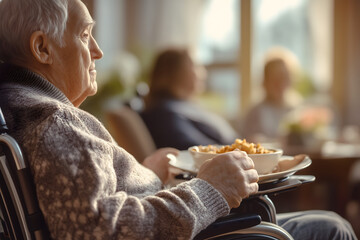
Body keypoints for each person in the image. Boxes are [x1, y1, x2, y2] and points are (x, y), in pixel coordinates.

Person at [0, 0, 356, 239]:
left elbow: (92, 201)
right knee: (331, 226)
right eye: (84, 34)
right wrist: (210, 189)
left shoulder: (26, 109)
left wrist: (146, 173)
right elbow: (100, 230)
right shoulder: (55, 122)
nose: (98, 51)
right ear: (42, 48)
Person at [141, 48, 238, 150]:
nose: (203, 73)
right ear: (176, 72)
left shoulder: (185, 107)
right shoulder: (166, 114)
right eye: (196, 66)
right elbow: (198, 150)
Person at [241, 49, 301, 143]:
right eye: (275, 78)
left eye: (283, 77)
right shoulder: (255, 112)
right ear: (265, 81)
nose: (280, 84)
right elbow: (246, 142)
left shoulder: (297, 110)